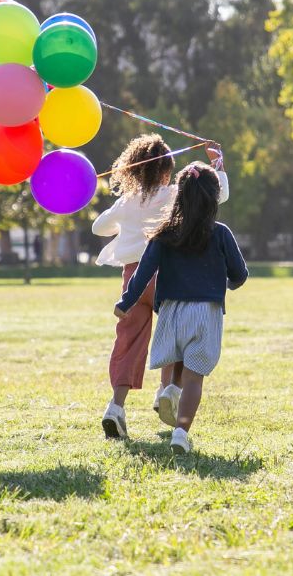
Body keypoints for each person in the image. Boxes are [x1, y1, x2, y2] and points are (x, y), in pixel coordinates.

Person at [93, 134, 228, 439]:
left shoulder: (126, 202)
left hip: (133, 280)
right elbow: (217, 195)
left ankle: (116, 407)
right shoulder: (173, 195)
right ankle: (167, 391)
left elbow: (98, 227)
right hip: (167, 277)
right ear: (167, 171)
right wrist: (217, 164)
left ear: (133, 171)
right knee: (178, 335)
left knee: (128, 342)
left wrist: (124, 213)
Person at [115, 162, 247, 454]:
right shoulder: (221, 233)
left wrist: (126, 302)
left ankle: (170, 390)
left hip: (171, 311)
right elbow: (240, 274)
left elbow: (143, 273)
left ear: (179, 196)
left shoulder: (164, 234)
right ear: (214, 198)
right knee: (195, 377)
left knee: (177, 359)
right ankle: (180, 432)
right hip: (206, 312)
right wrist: (227, 283)